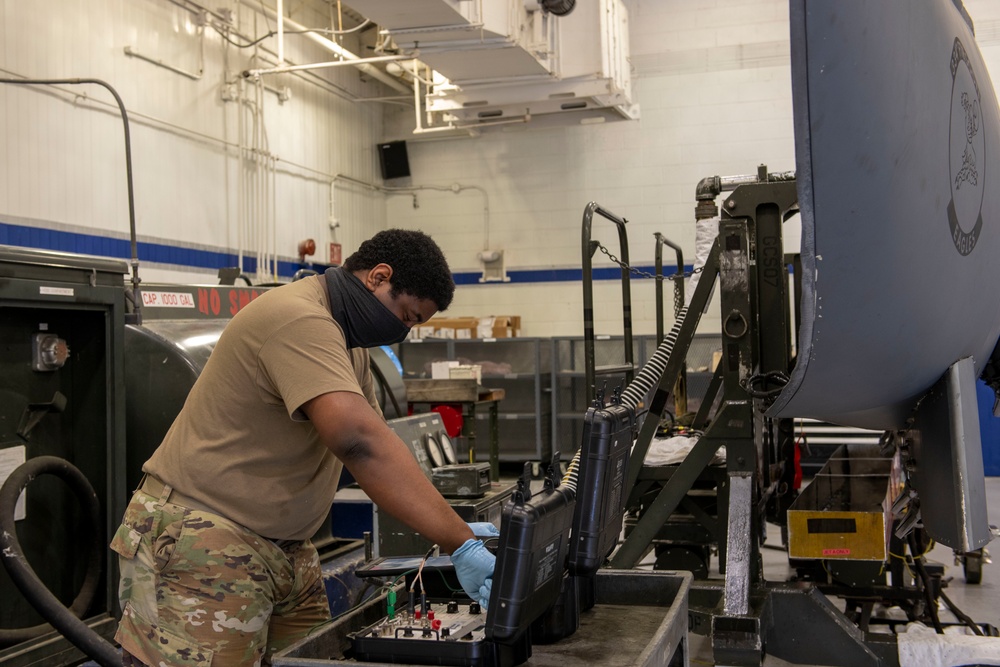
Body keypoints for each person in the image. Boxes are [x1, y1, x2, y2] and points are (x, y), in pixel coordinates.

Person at [110, 229, 496, 666]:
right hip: (206, 542)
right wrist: (457, 540)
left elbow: (381, 444)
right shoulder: (300, 319)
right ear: (378, 277)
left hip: (287, 548)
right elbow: (359, 445)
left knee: (313, 659)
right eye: (407, 316)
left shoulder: (347, 344)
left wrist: (448, 525)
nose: (404, 331)